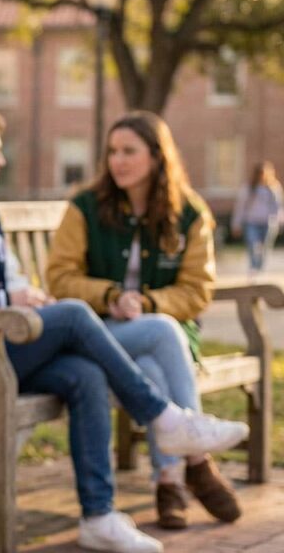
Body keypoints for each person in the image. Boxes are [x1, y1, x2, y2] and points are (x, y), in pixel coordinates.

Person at [0, 102, 248, 553]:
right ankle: (166, 419)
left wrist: (25, 296)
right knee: (73, 315)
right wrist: (5, 300)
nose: (1, 158)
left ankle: (99, 515)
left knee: (84, 373)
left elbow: (10, 278)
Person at [47, 111, 242, 530]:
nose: (118, 160)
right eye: (112, 151)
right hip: (97, 332)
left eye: (129, 151)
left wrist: (150, 302)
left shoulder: (189, 213)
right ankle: (194, 461)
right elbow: (60, 278)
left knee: (155, 355)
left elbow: (198, 290)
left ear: (156, 157)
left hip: (158, 333)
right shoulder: (85, 207)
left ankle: (170, 478)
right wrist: (111, 297)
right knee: (161, 334)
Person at [231, 160, 283, 276]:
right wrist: (236, 224)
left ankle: (260, 269)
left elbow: (278, 207)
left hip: (268, 223)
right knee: (252, 245)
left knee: (265, 248)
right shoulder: (249, 188)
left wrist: (279, 222)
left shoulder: (273, 188)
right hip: (251, 222)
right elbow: (241, 206)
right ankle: (253, 268)